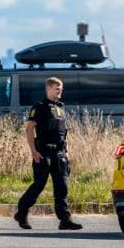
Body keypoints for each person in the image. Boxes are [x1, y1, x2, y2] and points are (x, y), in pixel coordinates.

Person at [14, 77, 83, 231]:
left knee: (62, 186)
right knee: (39, 184)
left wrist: (66, 152)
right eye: (57, 89)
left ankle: (65, 219)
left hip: (59, 154)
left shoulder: (60, 107)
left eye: (61, 89)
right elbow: (29, 129)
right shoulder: (39, 107)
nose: (60, 92)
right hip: (43, 152)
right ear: (48, 89)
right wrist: (33, 151)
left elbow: (62, 133)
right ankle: (22, 212)